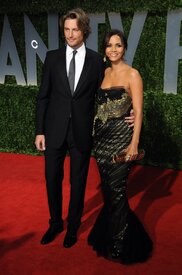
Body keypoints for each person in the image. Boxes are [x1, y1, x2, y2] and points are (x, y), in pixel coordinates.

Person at [35, 9, 134, 249]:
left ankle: (72, 228)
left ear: (84, 31)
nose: (70, 34)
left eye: (75, 29)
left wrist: (128, 110)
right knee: (52, 179)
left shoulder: (95, 61)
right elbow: (43, 98)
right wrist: (39, 131)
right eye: (67, 29)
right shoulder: (52, 57)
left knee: (78, 182)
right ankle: (56, 222)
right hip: (54, 130)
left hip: (82, 131)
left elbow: (109, 92)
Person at [88, 29, 153, 264]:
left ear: (125, 48)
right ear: (104, 49)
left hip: (122, 139)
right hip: (102, 140)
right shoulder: (104, 72)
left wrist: (134, 143)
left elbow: (139, 110)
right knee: (109, 189)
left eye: (118, 45)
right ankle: (113, 230)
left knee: (117, 189)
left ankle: (120, 241)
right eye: (109, 45)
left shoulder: (133, 74)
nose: (113, 49)